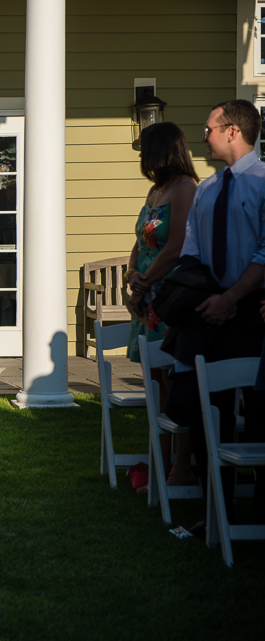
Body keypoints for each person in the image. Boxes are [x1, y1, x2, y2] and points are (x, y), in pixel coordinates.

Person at [162, 99, 265, 537]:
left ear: (233, 131)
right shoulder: (206, 189)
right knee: (207, 415)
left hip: (255, 313)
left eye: (209, 128)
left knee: (260, 414)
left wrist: (233, 298)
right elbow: (191, 252)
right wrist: (206, 297)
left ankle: (259, 512)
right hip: (208, 315)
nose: (202, 136)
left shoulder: (262, 183)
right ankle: (215, 511)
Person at [125, 122, 198, 489]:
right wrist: (130, 275)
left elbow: (176, 247)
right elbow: (140, 241)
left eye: (145, 149)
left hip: (167, 297)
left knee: (176, 381)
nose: (141, 156)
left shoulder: (185, 189)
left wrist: (146, 282)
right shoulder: (155, 191)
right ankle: (160, 458)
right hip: (146, 296)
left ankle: (181, 467)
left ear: (162, 150)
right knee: (156, 383)